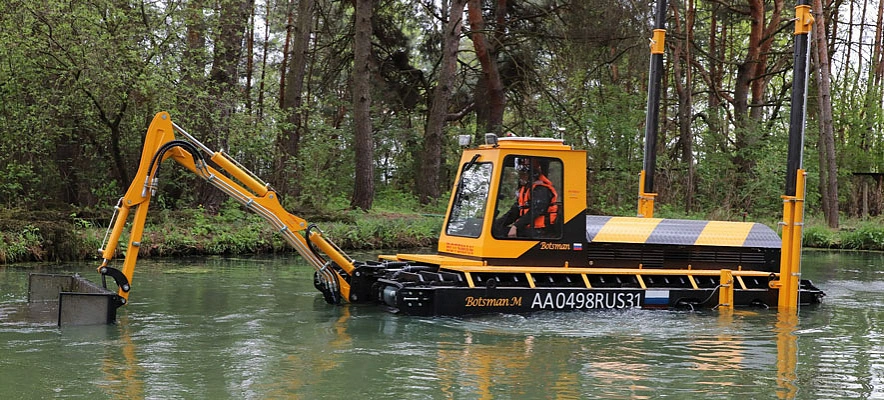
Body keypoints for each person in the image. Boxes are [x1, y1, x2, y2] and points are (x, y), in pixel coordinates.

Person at [494, 158, 559, 238]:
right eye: (520, 174)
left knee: (505, 235)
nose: (521, 177)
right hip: (528, 228)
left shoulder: (541, 190)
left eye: (523, 174)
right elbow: (514, 212)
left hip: (541, 231)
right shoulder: (525, 190)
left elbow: (535, 211)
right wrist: (497, 224)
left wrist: (516, 226)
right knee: (496, 232)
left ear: (532, 175)